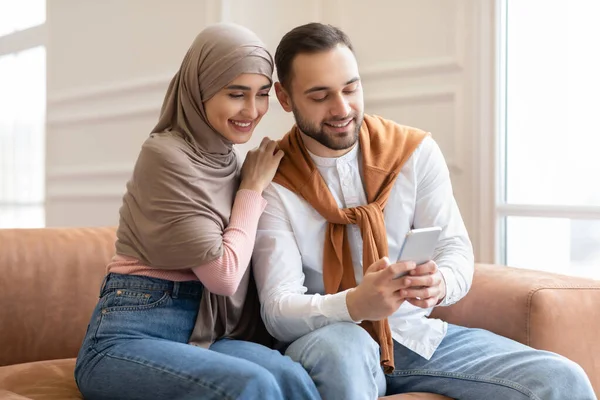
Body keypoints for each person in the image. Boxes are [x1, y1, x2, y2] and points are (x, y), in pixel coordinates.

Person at [252, 22, 597, 400]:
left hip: (413, 336)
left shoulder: (412, 153)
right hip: (328, 341)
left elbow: (455, 250)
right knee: (344, 351)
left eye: (351, 88)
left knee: (561, 377)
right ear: (285, 98)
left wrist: (441, 283)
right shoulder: (274, 181)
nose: (342, 108)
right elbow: (277, 310)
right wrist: (354, 304)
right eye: (320, 96)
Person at [74, 23, 321, 400]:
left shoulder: (225, 160)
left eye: (262, 94)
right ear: (200, 89)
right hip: (127, 335)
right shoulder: (164, 155)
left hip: (202, 332)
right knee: (253, 385)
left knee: (292, 378)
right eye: (236, 94)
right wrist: (252, 190)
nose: (252, 110)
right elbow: (223, 275)